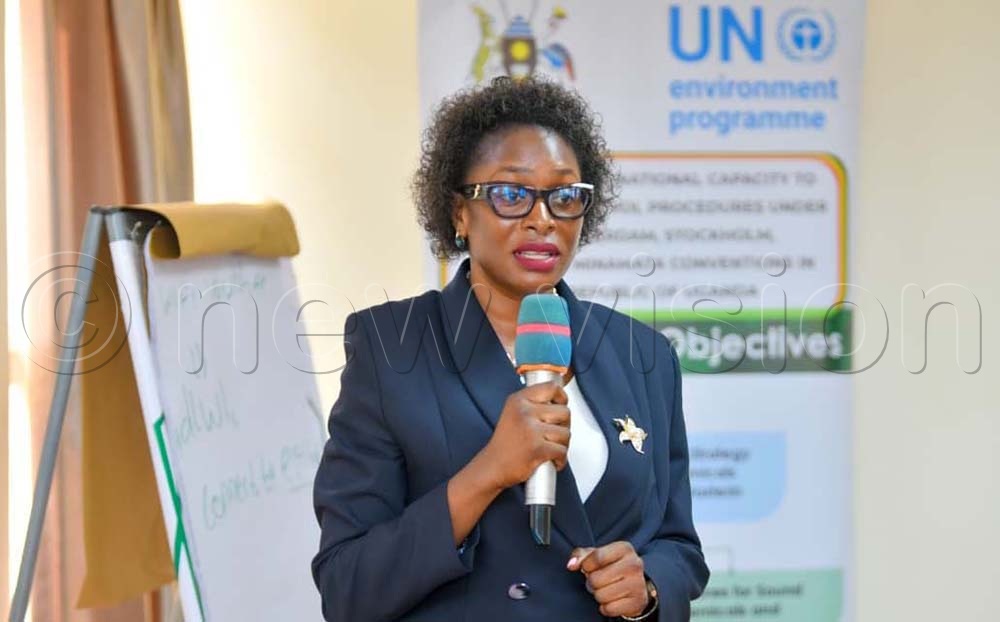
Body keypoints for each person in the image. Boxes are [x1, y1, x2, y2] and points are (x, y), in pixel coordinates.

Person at [312, 76, 709, 621]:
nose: (542, 219)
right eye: (510, 194)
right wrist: (490, 470)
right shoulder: (391, 349)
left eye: (564, 197)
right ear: (459, 212)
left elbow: (679, 546)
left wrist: (648, 586)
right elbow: (348, 587)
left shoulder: (644, 355)